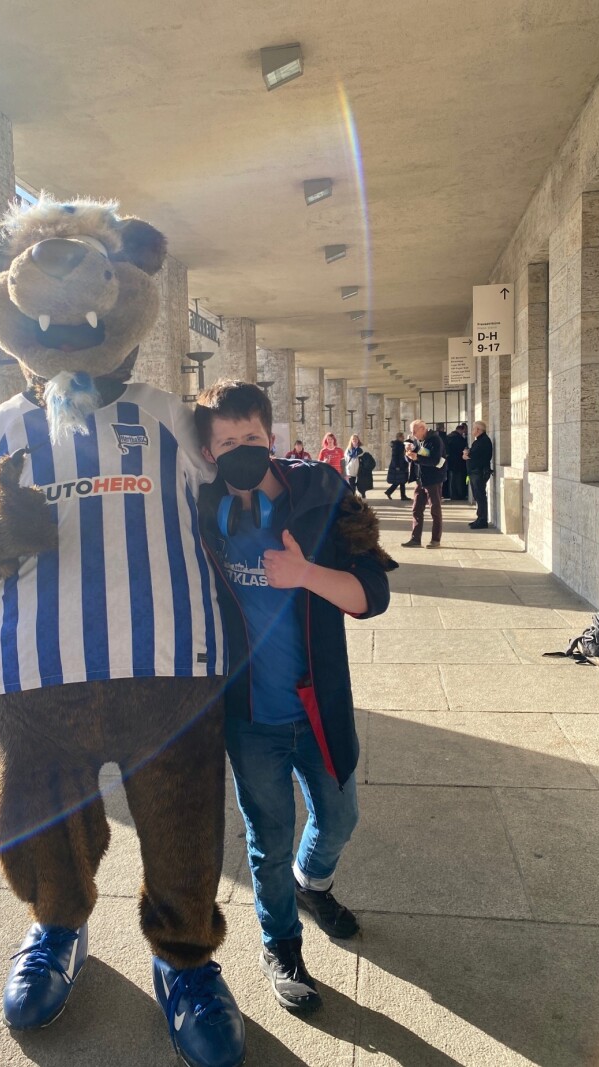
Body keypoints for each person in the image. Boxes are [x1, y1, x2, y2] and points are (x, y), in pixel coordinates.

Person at [194, 381, 393, 1014]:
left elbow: (372, 597)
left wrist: (304, 573)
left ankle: (315, 881)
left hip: (318, 705)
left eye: (250, 438)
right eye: (226, 442)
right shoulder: (196, 513)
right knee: (268, 839)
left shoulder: (322, 497)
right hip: (250, 716)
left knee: (339, 818)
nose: (240, 450)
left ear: (271, 438)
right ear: (207, 451)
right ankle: (282, 944)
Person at [401, 419, 447, 548]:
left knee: (435, 509)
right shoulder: (418, 440)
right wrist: (408, 453)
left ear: (422, 429)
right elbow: (411, 458)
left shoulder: (435, 440)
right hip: (420, 480)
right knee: (416, 509)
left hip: (433, 480)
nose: (412, 434)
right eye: (411, 431)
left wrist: (417, 457)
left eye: (414, 431)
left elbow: (435, 460)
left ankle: (435, 539)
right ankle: (415, 539)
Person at [465, 421, 493, 528]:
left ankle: (482, 520)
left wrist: (467, 455)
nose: (472, 431)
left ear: (478, 430)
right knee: (477, 496)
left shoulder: (484, 441)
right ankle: (479, 518)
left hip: (479, 472)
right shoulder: (479, 441)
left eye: (473, 428)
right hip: (474, 472)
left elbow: (473, 455)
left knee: (480, 496)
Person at [445, 425, 468, 500]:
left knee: (452, 479)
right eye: (464, 430)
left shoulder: (448, 436)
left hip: (450, 461)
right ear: (461, 429)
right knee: (458, 479)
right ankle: (458, 495)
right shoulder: (459, 438)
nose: (464, 432)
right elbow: (462, 448)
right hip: (458, 461)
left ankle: (452, 494)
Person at [385, 432, 409, 500]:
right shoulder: (397, 445)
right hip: (399, 465)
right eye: (402, 437)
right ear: (398, 437)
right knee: (400, 481)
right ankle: (391, 492)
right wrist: (397, 466)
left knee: (401, 481)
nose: (403, 438)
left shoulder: (400, 444)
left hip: (402, 464)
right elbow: (394, 456)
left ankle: (402, 495)